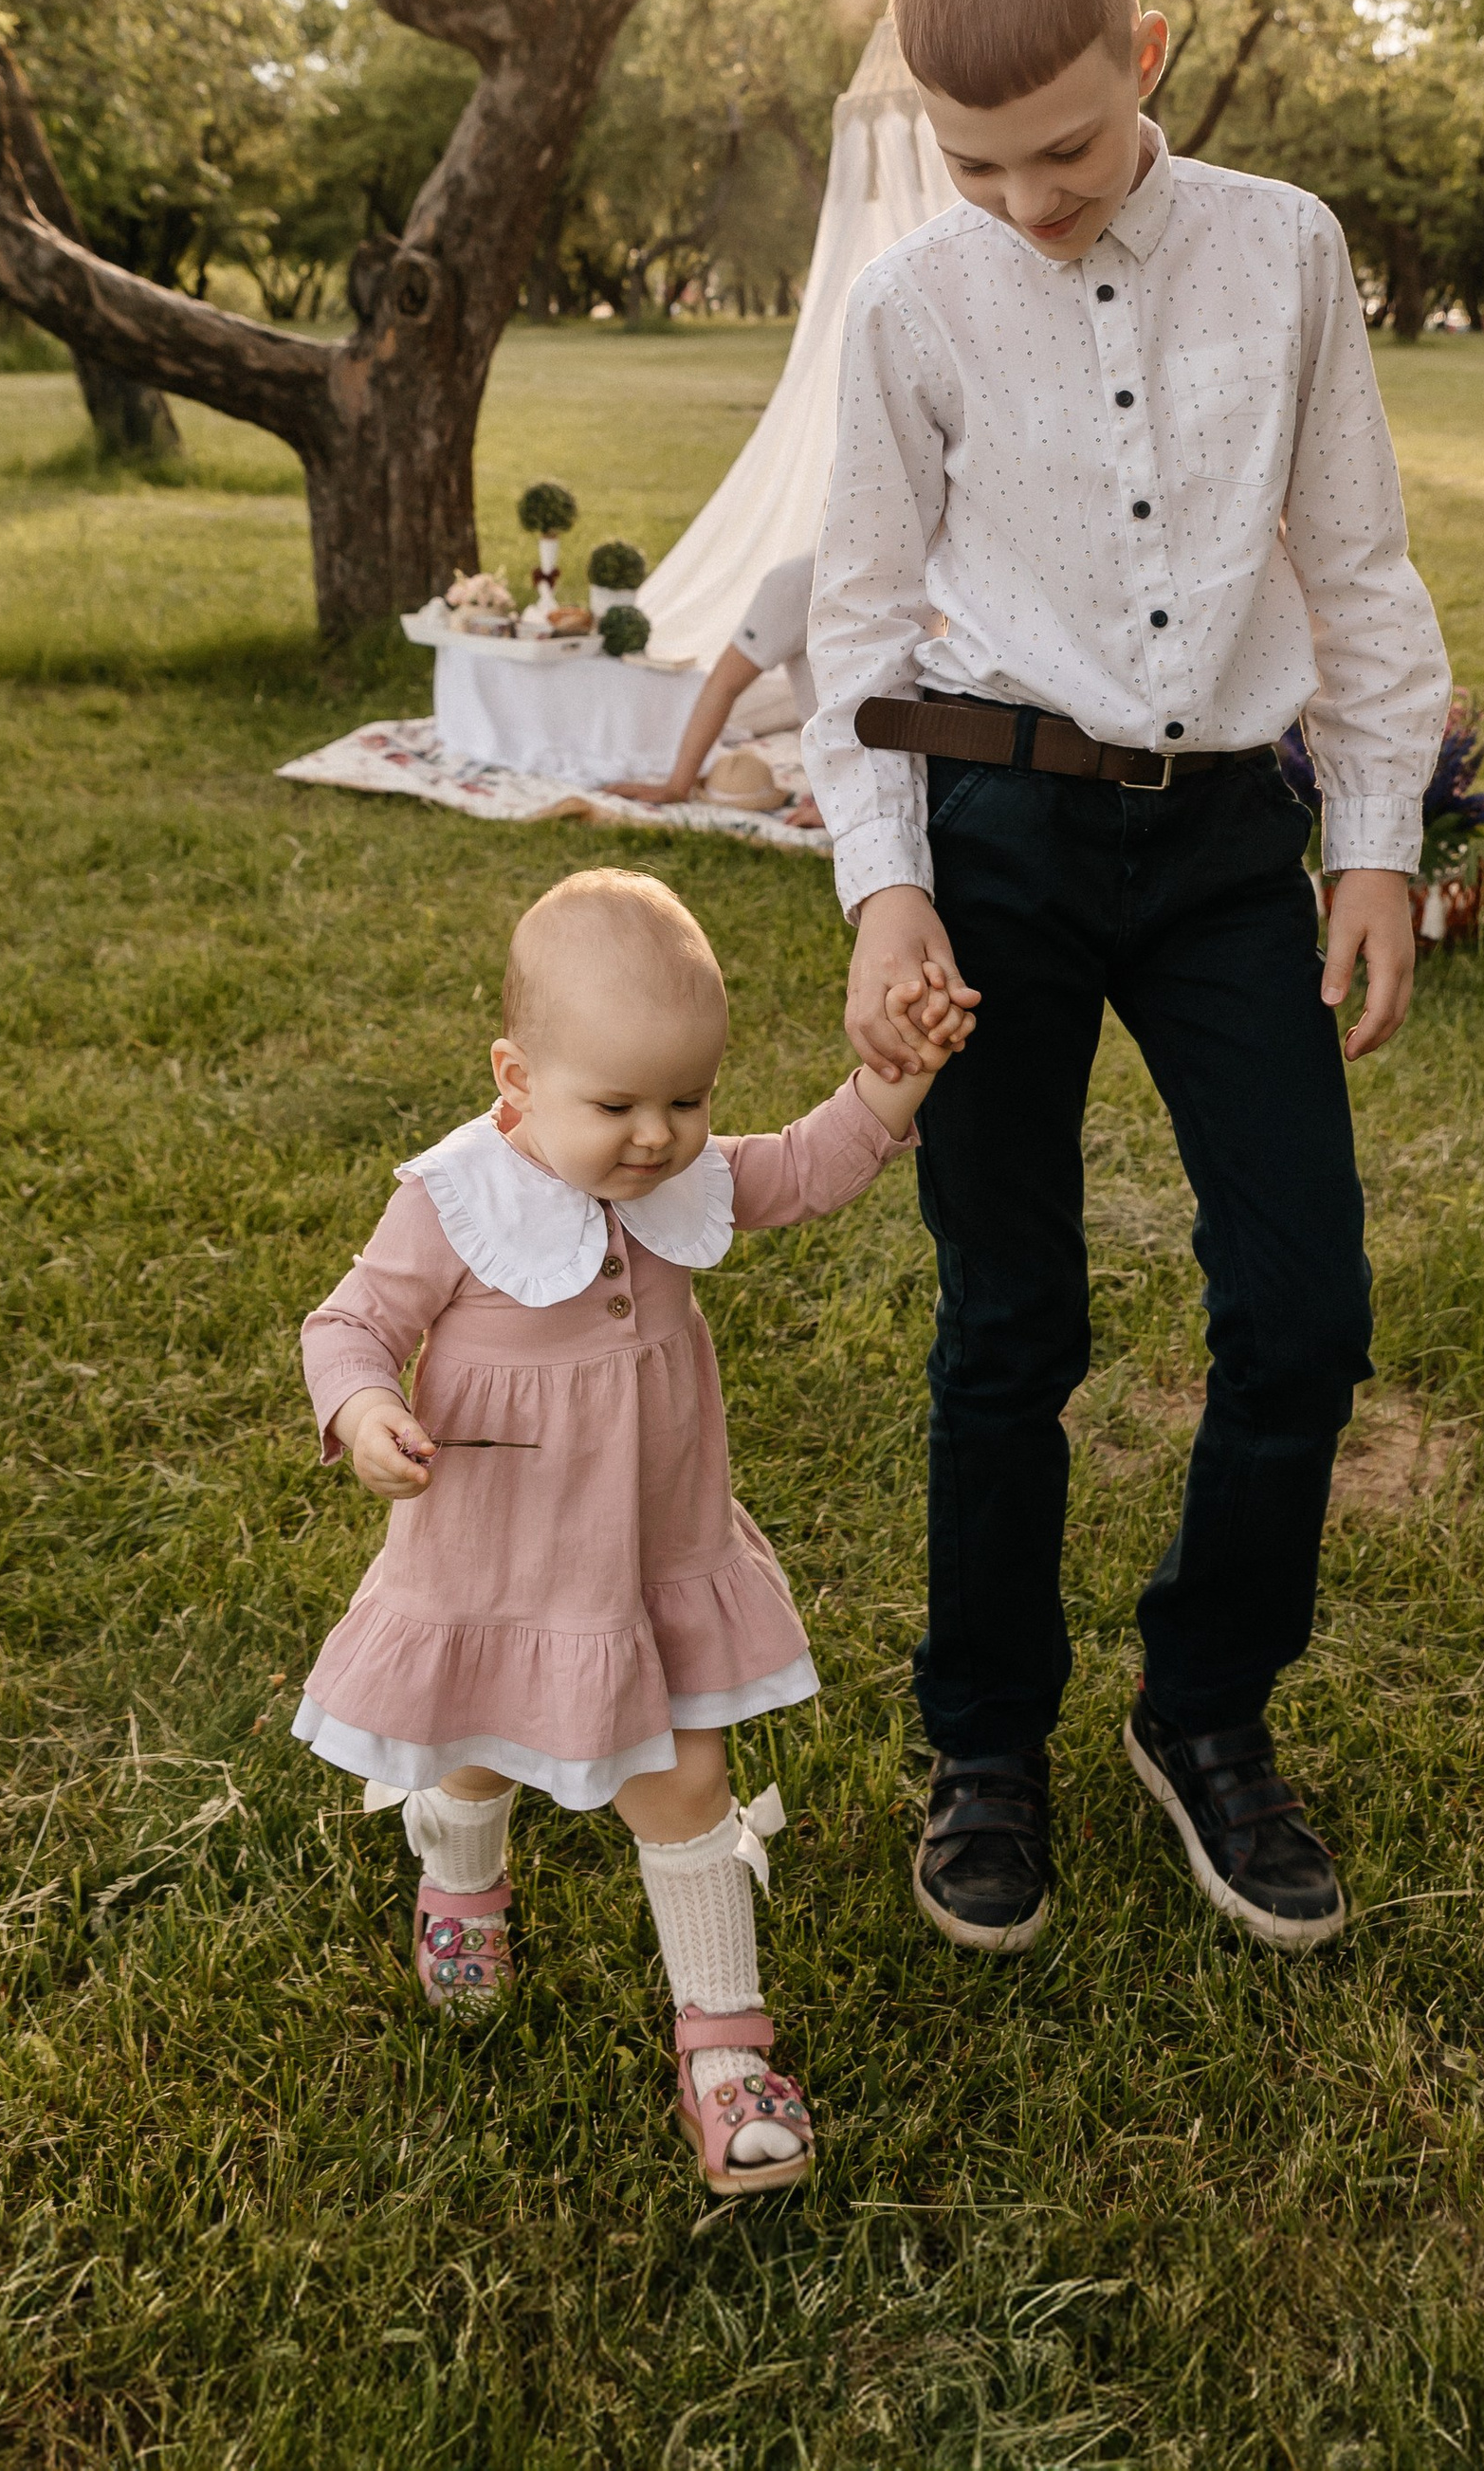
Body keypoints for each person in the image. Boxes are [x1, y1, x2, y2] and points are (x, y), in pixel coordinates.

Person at [805, 0, 1450, 1964]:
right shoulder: (913, 307)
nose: (1025, 197)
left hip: (1215, 858)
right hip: (991, 836)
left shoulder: (1283, 253)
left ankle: (1204, 1715)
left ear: (1145, 55)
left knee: (1302, 1314)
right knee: (1010, 1323)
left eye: (1063, 144)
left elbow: (1350, 562)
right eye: (972, 159)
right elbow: (853, 632)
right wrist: (884, 898)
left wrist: (1370, 833)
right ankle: (983, 1742)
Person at [291, 868, 962, 2196]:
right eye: (617, 1106)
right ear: (516, 1077)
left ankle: (724, 2048)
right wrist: (364, 1413)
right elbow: (349, 1325)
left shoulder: (679, 1177)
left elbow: (815, 1165)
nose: (657, 1138)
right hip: (496, 1559)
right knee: (477, 1752)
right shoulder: (454, 1200)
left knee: (686, 1783)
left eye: (687, 1099)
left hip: (647, 1558)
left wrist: (901, 1082)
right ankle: (461, 1887)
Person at [601, 552, 826, 825]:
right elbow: (724, 685)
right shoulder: (805, 579)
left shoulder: (800, 579)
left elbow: (724, 684)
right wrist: (676, 787)